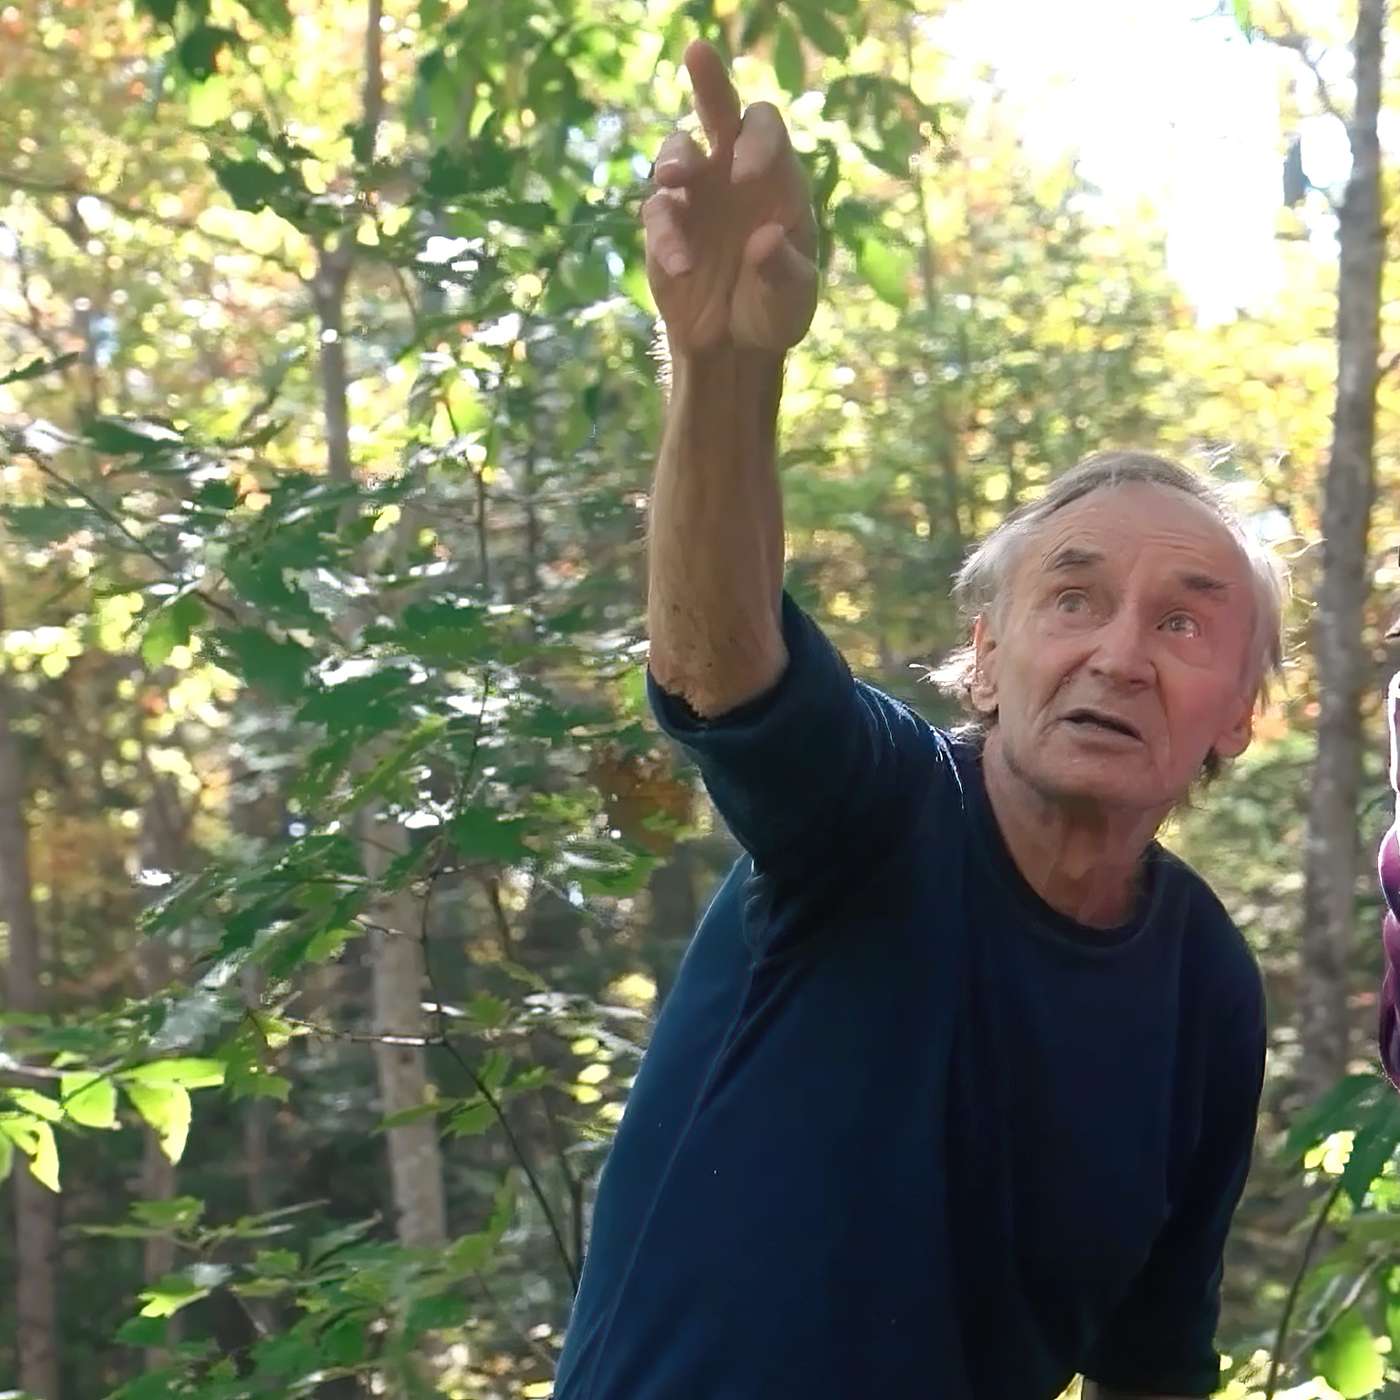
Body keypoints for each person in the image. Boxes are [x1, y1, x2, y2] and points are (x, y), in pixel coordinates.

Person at [553, 39, 1282, 1400]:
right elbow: (724, 665)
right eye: (1075, 600)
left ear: (1238, 715)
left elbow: (1156, 1367)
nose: (1121, 655)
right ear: (988, 661)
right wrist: (721, 372)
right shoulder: (885, 811)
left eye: (1184, 621)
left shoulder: (1207, 993)